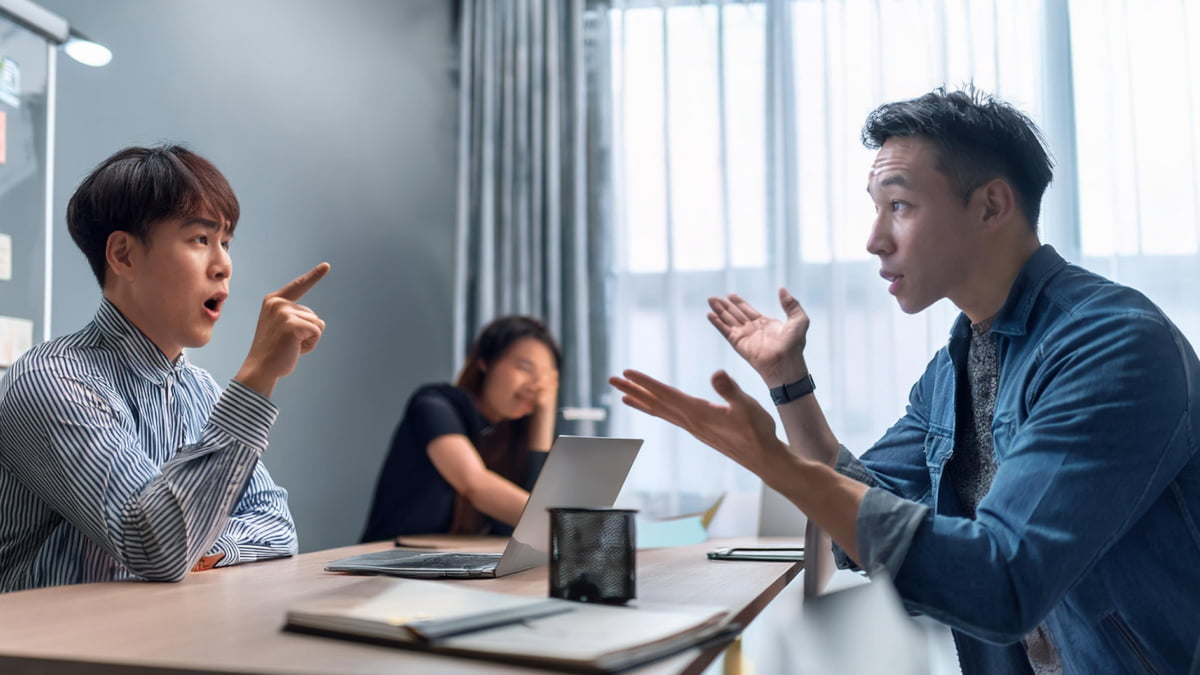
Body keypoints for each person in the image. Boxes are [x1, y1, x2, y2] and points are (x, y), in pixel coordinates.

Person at [610, 86, 1200, 673]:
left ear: (992, 206)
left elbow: (1004, 582)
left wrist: (776, 464)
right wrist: (789, 382)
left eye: (900, 206)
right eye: (876, 208)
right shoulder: (952, 369)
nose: (874, 240)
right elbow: (855, 528)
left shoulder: (1113, 344)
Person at [0, 145, 329, 592]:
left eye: (226, 242)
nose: (224, 265)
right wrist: (257, 377)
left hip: (155, 641)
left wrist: (208, 548)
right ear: (124, 256)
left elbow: (276, 524)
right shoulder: (53, 381)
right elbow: (157, 546)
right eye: (200, 239)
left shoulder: (201, 389)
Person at [361, 316, 560, 540]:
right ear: (485, 361)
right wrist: (571, 528)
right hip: (391, 559)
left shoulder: (512, 434)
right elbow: (474, 483)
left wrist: (543, 417)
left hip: (460, 563)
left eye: (546, 378)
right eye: (525, 368)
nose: (536, 385)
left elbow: (517, 525)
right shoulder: (434, 404)